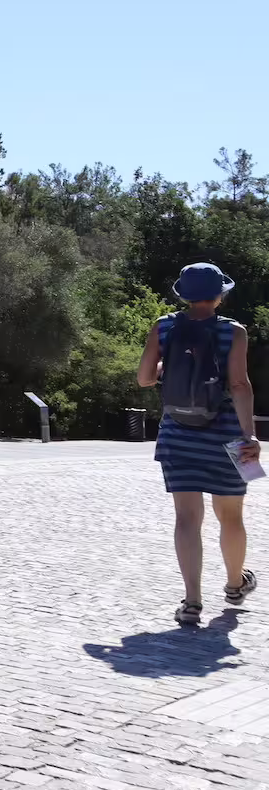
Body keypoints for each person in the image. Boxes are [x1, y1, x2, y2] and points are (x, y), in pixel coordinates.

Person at [138, 262, 258, 627]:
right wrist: (249, 435)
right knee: (231, 516)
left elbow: (145, 379)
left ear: (183, 295)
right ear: (219, 295)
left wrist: (162, 371)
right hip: (226, 435)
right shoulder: (233, 332)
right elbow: (239, 386)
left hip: (177, 433)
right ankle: (236, 585)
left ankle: (192, 602)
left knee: (187, 519)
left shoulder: (164, 326)